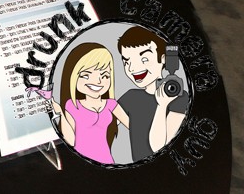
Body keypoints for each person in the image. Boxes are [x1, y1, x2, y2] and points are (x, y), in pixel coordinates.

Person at [48, 42, 129, 164]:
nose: (98, 81)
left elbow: (134, 126)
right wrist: (60, 114)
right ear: (73, 77)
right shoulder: (72, 105)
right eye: (86, 75)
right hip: (81, 161)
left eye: (105, 76)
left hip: (107, 160)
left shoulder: (111, 104)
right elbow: (71, 141)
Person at [117, 26, 189, 161]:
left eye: (144, 59)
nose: (132, 68)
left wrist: (162, 105)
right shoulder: (130, 97)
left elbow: (158, 147)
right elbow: (103, 124)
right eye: (126, 62)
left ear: (163, 58)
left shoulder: (179, 98)